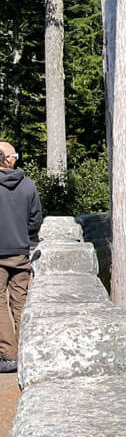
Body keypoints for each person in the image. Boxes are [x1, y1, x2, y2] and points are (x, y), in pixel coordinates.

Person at [0, 142, 42, 375]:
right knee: (21, 301)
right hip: (20, 252)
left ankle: (8, 355)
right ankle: (26, 349)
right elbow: (35, 220)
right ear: (11, 159)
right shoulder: (28, 185)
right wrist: (24, 237)